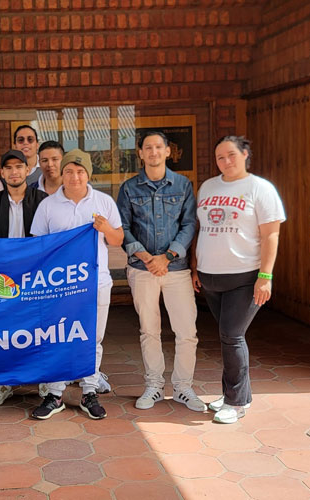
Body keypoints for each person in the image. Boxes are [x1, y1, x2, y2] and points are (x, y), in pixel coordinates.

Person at [193, 136, 285, 424]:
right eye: (220, 157)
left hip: (244, 277)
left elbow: (271, 234)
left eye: (231, 154)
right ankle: (231, 394)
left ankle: (236, 403)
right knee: (226, 337)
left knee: (232, 335)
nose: (226, 161)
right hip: (210, 276)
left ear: (245, 154)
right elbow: (201, 229)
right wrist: (196, 267)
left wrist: (265, 276)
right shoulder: (208, 187)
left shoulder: (260, 188)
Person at [30, 149, 124, 420]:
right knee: (58, 336)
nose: (75, 177)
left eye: (80, 172)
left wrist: (105, 229)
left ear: (88, 174)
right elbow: (38, 245)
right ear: (62, 174)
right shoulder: (48, 205)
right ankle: (55, 393)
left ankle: (89, 392)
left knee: (93, 338)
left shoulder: (104, 202)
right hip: (60, 286)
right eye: (69, 171)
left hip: (97, 282)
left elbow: (118, 239)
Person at [116, 130, 205, 412]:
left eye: (158, 147)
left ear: (168, 151)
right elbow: (123, 228)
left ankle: (183, 387)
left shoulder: (183, 185)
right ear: (140, 153)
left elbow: (189, 225)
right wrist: (146, 257)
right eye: (147, 147)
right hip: (142, 269)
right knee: (149, 330)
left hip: (176, 269)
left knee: (186, 330)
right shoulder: (129, 188)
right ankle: (154, 385)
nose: (153, 152)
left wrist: (167, 257)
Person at [0, 150, 48, 406]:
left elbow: (50, 240)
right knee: (3, 331)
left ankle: (44, 380)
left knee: (39, 329)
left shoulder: (42, 200)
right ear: (2, 172)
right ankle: (4, 382)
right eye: (8, 167)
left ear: (28, 170)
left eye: (19, 166)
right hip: (3, 277)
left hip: (35, 276)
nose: (14, 172)